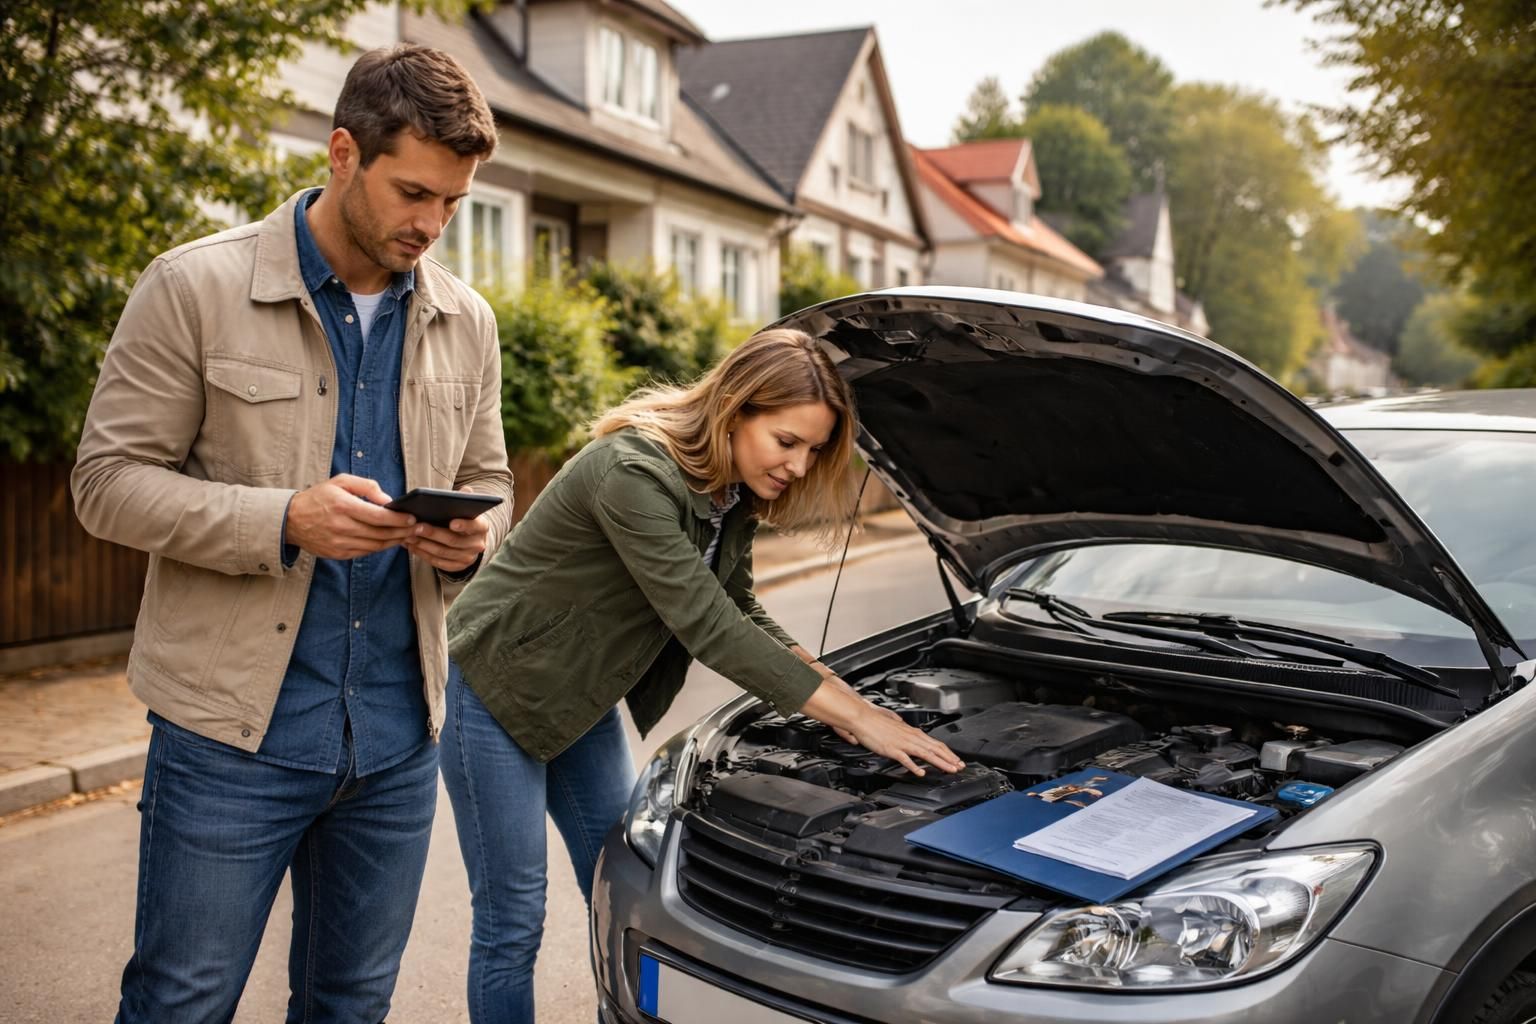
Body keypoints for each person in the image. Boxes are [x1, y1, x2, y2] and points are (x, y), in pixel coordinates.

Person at [71, 44, 513, 1022]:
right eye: (413, 193)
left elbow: (492, 489)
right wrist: (283, 520)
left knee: (351, 1005)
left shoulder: (468, 320)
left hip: (400, 739)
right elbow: (104, 487)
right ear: (343, 152)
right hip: (231, 736)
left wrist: (471, 545)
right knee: (181, 1001)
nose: (430, 225)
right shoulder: (193, 288)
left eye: (452, 203)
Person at [442, 328, 964, 1021]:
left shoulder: (729, 496)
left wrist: (849, 697)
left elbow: (741, 606)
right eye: (788, 442)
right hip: (493, 689)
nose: (800, 467)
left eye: (812, 450)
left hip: (581, 701)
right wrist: (853, 720)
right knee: (513, 917)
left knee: (622, 884)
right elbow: (707, 624)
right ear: (735, 409)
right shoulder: (630, 472)